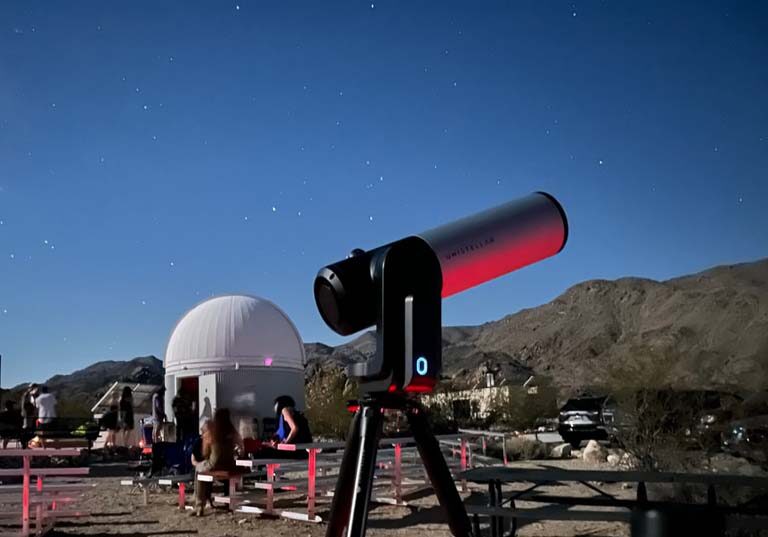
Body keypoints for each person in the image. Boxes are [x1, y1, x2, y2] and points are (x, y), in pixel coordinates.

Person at [193, 408, 243, 517]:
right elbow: (241, 446)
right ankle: (226, 501)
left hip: (214, 464)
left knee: (199, 469)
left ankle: (199, 505)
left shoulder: (212, 431)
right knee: (207, 470)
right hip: (229, 464)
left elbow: (205, 453)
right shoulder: (232, 431)